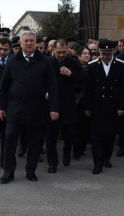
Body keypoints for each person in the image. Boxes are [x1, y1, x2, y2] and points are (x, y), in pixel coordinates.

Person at [0, 30, 59, 183]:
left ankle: (31, 170)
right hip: (14, 109)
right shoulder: (12, 61)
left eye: (32, 40)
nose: (29, 43)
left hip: (37, 109)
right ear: (21, 43)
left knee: (35, 142)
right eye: (26, 41)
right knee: (10, 141)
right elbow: (3, 87)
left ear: (36, 43)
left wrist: (54, 108)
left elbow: (53, 87)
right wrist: (0, 107)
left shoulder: (45, 61)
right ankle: (8, 172)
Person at [84, 40, 124, 174]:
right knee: (96, 136)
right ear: (100, 53)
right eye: (103, 54)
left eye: (108, 54)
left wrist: (122, 107)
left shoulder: (120, 66)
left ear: (112, 53)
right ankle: (97, 163)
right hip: (97, 106)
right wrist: (87, 107)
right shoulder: (92, 66)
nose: (105, 57)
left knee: (110, 135)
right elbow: (88, 89)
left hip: (113, 107)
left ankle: (106, 158)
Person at [46, 39, 86, 173]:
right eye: (59, 52)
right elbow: (38, 81)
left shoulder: (73, 62)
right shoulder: (48, 62)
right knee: (51, 135)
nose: (61, 55)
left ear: (68, 51)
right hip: (51, 103)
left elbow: (84, 80)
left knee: (70, 133)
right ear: (53, 50)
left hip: (69, 103)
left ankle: (67, 152)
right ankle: (52, 162)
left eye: (64, 52)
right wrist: (45, 92)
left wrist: (71, 74)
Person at [73, 46, 91, 160]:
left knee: (85, 127)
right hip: (77, 101)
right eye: (84, 53)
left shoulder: (91, 67)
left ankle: (82, 148)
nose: (87, 55)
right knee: (77, 128)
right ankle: (76, 150)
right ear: (78, 55)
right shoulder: (74, 67)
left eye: (88, 53)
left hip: (88, 101)